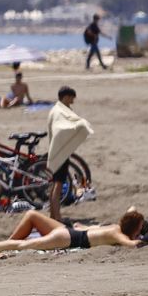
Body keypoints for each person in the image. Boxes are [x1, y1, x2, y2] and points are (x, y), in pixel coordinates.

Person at [0, 208, 143, 256]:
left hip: (69, 231)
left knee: (32, 216)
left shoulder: (114, 227)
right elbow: (131, 244)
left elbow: (131, 209)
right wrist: (147, 241)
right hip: (68, 237)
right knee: (22, 245)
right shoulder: (117, 234)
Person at [46, 86, 92, 223]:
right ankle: (57, 216)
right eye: (72, 97)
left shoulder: (59, 110)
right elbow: (61, 130)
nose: (73, 100)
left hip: (57, 151)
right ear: (65, 97)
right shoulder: (60, 111)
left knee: (56, 184)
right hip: (59, 152)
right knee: (58, 184)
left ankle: (53, 214)